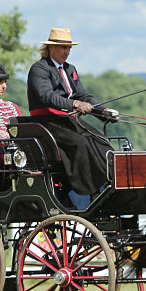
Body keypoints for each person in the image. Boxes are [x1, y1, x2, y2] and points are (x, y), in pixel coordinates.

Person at [26, 28, 118, 209]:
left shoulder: (70, 69)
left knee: (101, 140)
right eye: (63, 48)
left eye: (69, 48)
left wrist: (103, 110)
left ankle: (108, 181)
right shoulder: (39, 69)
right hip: (47, 121)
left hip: (66, 120)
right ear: (50, 48)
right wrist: (75, 104)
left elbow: (83, 95)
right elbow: (47, 96)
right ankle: (87, 190)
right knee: (81, 143)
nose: (66, 52)